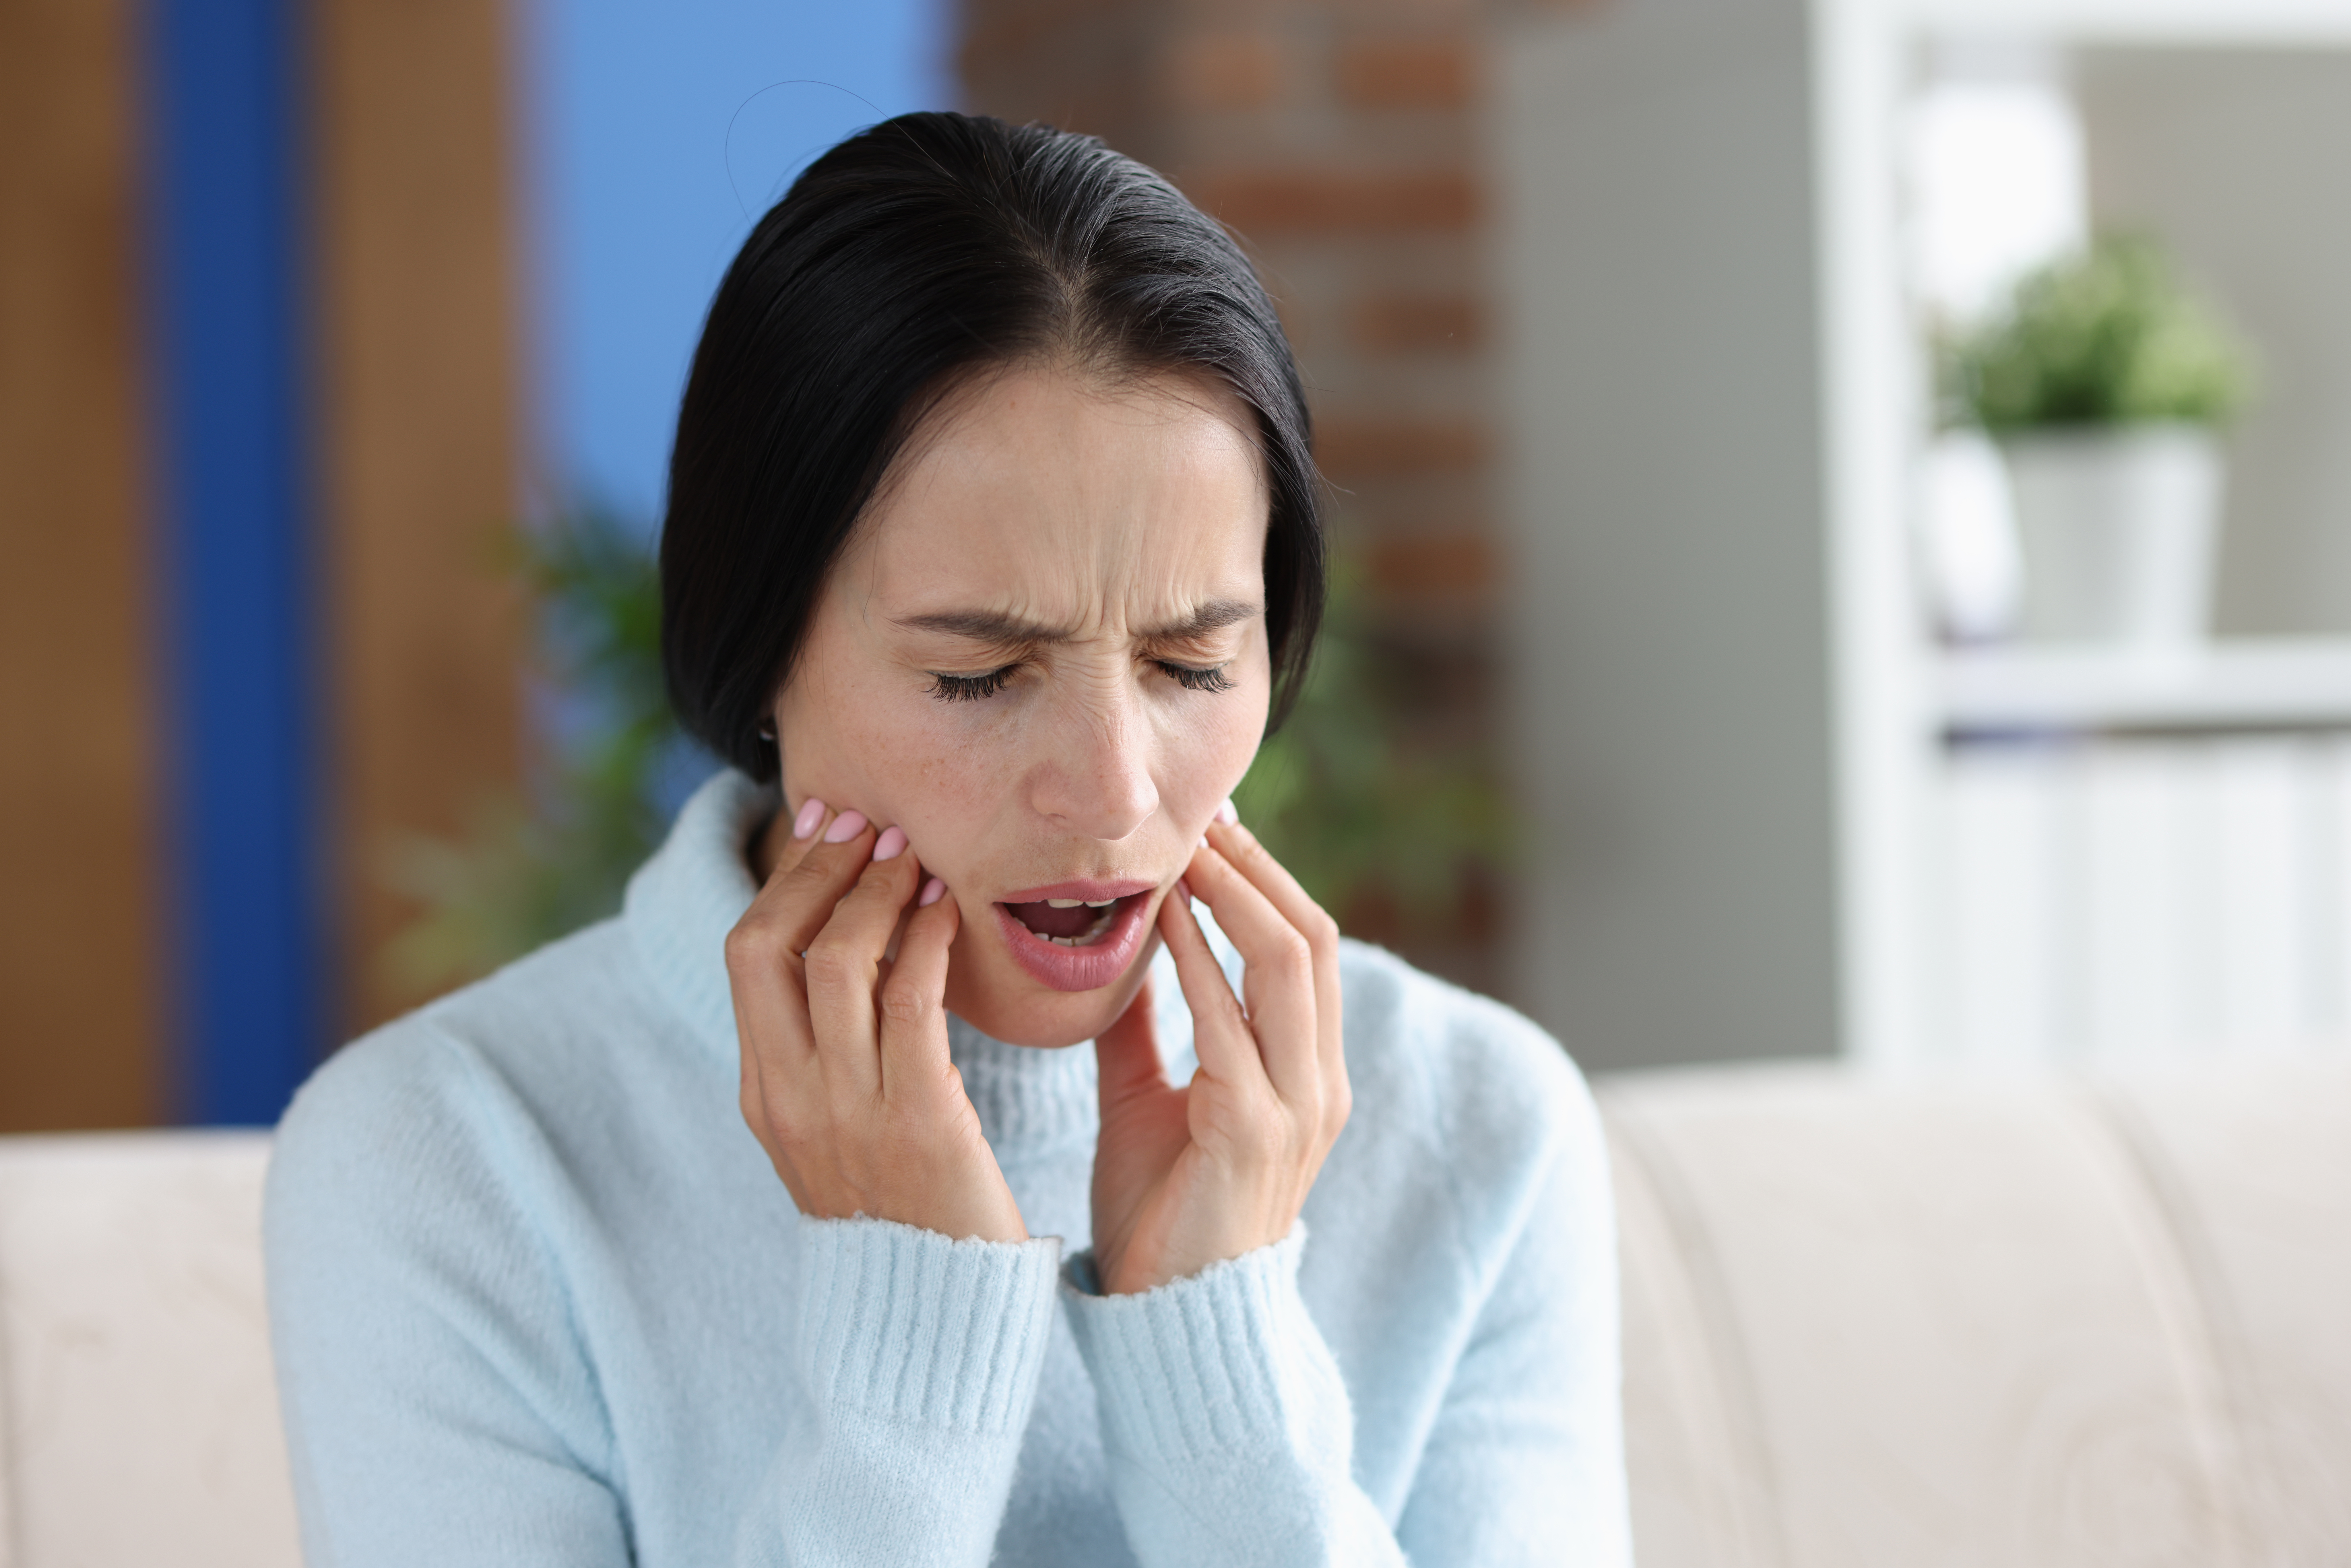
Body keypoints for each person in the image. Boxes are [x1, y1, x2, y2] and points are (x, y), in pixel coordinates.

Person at [265, 112, 1628, 1567]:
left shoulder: (1479, 1129)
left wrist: (1224, 1369)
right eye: (977, 675)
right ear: (760, 651)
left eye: (1189, 665)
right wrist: (908, 1357)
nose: (1110, 793)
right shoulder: (449, 1161)